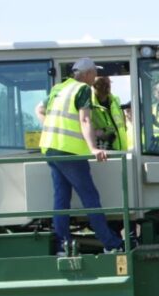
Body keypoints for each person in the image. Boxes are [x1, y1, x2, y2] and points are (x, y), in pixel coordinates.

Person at [38, 57, 123, 254]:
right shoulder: (82, 89)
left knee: (61, 198)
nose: (95, 77)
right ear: (86, 74)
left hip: (51, 149)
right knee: (90, 196)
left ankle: (63, 244)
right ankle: (111, 244)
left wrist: (53, 130)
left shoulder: (59, 88)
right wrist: (93, 148)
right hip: (70, 152)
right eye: (94, 72)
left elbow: (40, 110)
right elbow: (85, 120)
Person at [90, 76, 129, 151]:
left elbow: (123, 125)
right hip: (103, 153)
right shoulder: (89, 104)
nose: (107, 86)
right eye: (103, 83)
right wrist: (96, 133)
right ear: (94, 86)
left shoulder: (115, 101)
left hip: (122, 152)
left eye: (108, 83)